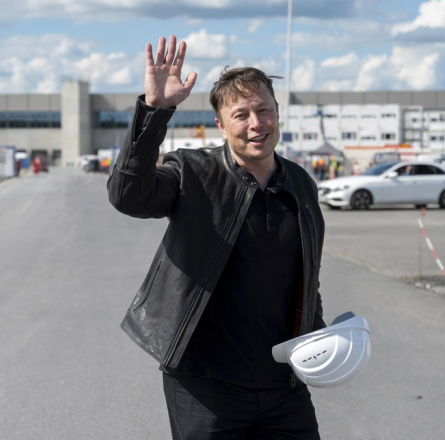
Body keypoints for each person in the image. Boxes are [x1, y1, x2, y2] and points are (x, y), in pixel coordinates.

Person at [107, 35, 326, 439]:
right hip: (205, 385)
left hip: (284, 385)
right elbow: (128, 196)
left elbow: (306, 277)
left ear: (278, 113)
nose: (256, 123)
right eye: (241, 114)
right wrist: (155, 111)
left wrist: (322, 339)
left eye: (264, 110)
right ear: (221, 125)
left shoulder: (301, 184)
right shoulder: (192, 172)